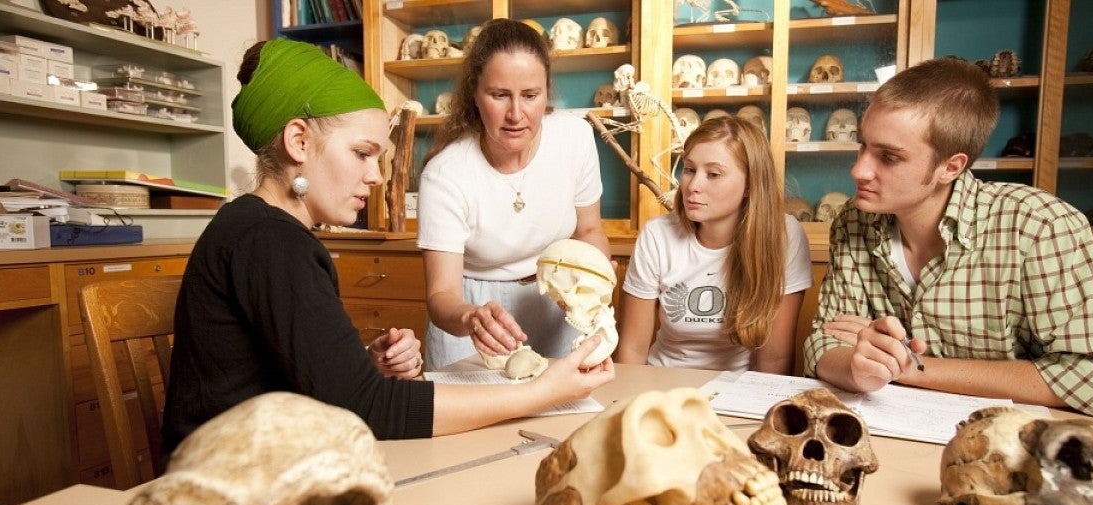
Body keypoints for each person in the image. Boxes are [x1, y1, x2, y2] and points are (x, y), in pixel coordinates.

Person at [162, 38, 613, 461]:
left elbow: (288, 378)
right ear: (299, 141)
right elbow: (370, 409)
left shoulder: (263, 230)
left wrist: (364, 366)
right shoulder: (268, 241)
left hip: (266, 459)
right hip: (226, 485)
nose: (377, 177)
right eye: (362, 153)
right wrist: (542, 393)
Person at [803, 56, 1093, 418]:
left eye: (888, 157)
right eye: (862, 146)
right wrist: (858, 368)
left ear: (951, 167)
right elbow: (824, 343)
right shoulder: (853, 221)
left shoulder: (1039, 226)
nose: (859, 170)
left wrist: (909, 366)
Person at [416, 18, 612, 371]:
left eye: (531, 96)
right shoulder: (445, 174)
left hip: (555, 298)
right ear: (475, 93)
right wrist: (471, 318)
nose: (516, 115)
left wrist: (593, 278)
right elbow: (440, 295)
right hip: (472, 310)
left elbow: (588, 231)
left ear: (547, 91)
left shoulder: (575, 138)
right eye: (500, 95)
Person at [616, 115, 812, 374]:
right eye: (689, 169)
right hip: (663, 386)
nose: (693, 186)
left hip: (739, 393)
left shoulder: (785, 236)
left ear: (750, 185)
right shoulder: (657, 235)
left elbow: (774, 361)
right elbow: (632, 351)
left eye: (713, 174)